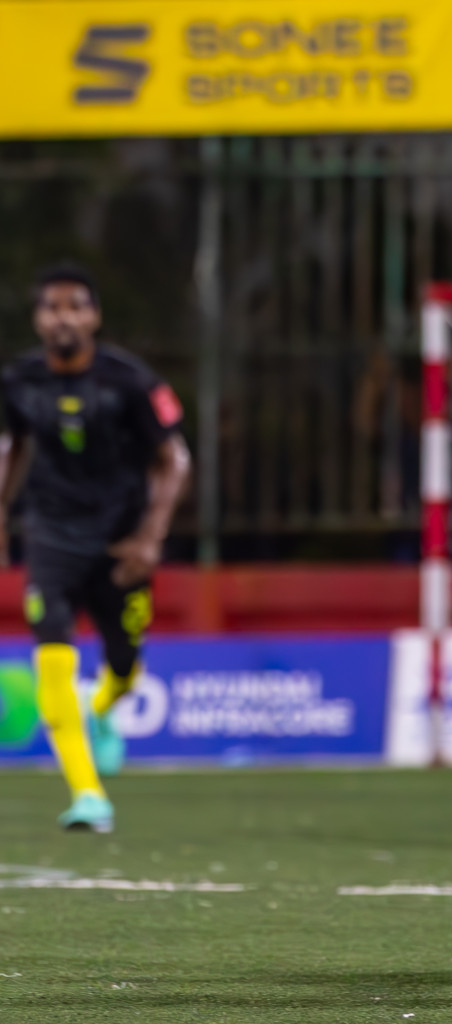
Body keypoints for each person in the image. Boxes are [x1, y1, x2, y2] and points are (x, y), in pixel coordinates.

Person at [0, 264, 190, 833]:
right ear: (38, 319)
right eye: (52, 307)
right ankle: (88, 795)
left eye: (76, 306)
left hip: (120, 540)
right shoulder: (20, 381)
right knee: (52, 655)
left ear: (94, 316)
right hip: (52, 536)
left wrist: (150, 538)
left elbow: (174, 459)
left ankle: (102, 707)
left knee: (126, 666)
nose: (64, 317)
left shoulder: (129, 382)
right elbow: (12, 446)